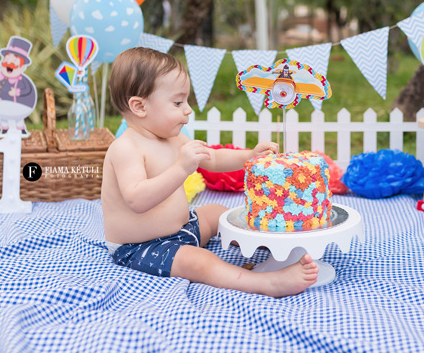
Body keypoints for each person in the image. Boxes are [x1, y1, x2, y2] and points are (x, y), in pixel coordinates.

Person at [102, 47, 318, 297]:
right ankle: (266, 283)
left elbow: (213, 158)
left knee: (217, 212)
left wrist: (248, 157)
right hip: (143, 246)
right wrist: (181, 168)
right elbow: (137, 200)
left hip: (185, 228)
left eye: (186, 101)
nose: (188, 110)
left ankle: (264, 244)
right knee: (200, 261)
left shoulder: (172, 138)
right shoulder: (125, 148)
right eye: (178, 102)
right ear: (140, 106)